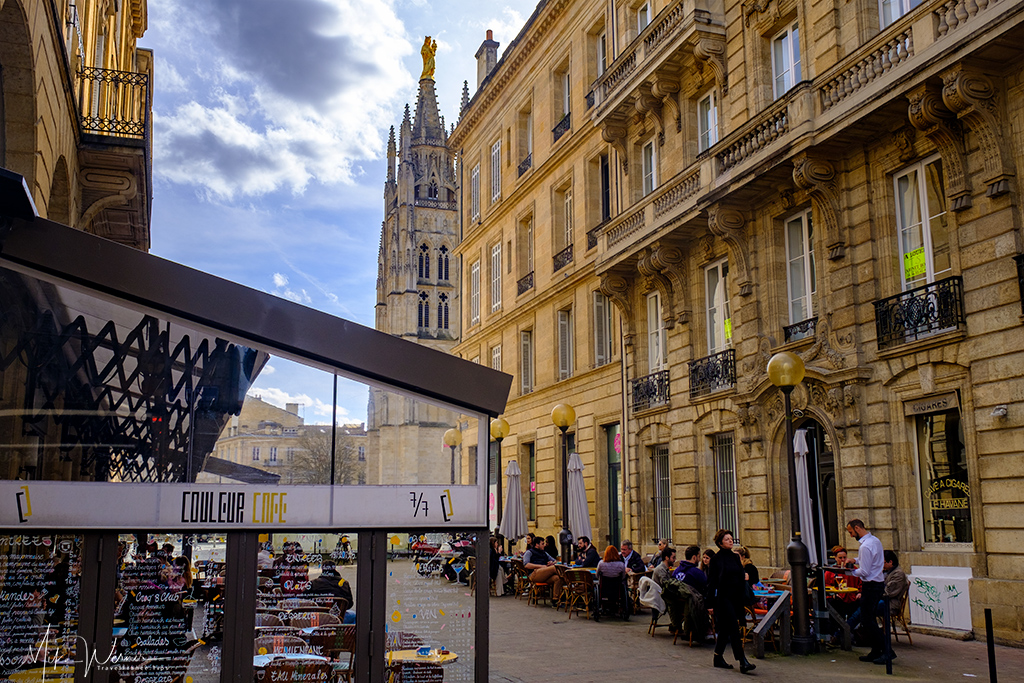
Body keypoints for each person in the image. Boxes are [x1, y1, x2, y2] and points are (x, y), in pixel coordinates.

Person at [707, 529, 755, 673]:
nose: (730, 540)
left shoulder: (735, 557)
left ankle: (717, 657)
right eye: (727, 539)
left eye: (731, 538)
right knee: (734, 628)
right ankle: (742, 661)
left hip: (736, 598)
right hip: (724, 598)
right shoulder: (716, 559)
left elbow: (741, 575)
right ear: (720, 542)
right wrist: (710, 603)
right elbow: (712, 583)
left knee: (727, 629)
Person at [846, 518, 890, 665]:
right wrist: (856, 560)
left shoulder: (865, 546)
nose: (851, 535)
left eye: (851, 532)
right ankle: (876, 650)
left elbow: (864, 571)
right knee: (869, 619)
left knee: (867, 620)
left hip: (870, 585)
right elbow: (872, 560)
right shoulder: (875, 541)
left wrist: (849, 572)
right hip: (877, 584)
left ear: (857, 528)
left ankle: (887, 650)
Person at [824, 548, 861, 618]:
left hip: (852, 598)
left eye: (844, 557)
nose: (843, 560)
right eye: (840, 558)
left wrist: (859, 593)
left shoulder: (854, 570)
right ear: (835, 558)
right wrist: (833, 594)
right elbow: (826, 585)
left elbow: (861, 583)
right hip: (838, 599)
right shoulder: (831, 571)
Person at [523, 536, 562, 602]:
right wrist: (541, 566)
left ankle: (555, 600)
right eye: (542, 544)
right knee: (554, 568)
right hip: (534, 574)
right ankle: (569, 581)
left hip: (545, 575)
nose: (544, 545)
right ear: (537, 545)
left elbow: (555, 561)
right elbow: (526, 565)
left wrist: (551, 562)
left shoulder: (544, 553)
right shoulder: (529, 552)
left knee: (557, 578)